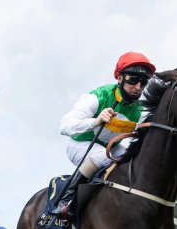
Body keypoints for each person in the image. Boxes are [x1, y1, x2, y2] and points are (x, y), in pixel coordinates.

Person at [51, 51, 156, 218]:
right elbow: (64, 126)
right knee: (105, 156)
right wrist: (95, 122)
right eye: (133, 80)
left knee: (135, 161)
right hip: (79, 144)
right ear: (120, 78)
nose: (138, 87)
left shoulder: (140, 110)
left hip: (111, 146)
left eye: (143, 82)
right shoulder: (98, 97)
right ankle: (66, 200)